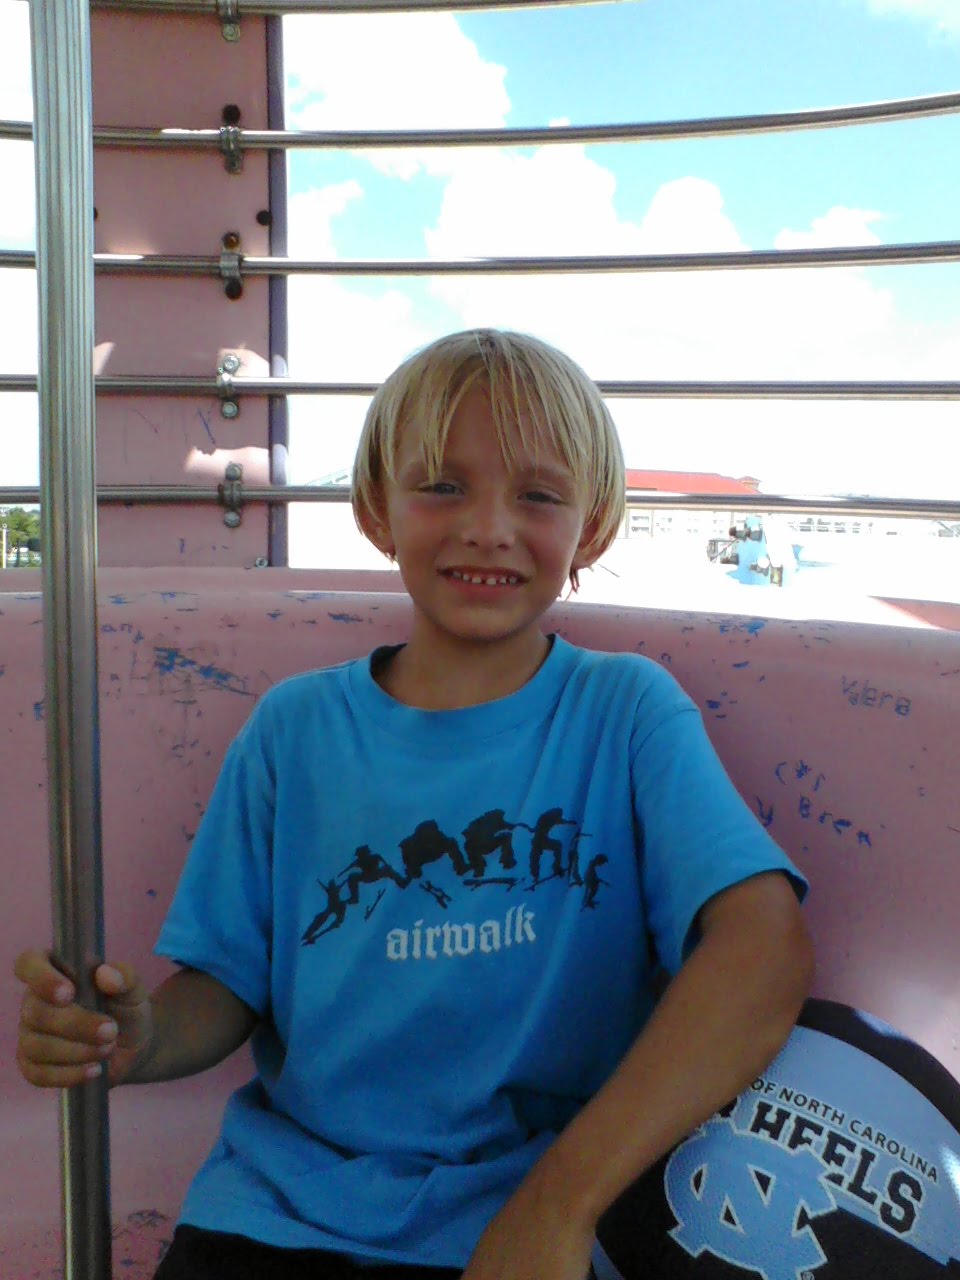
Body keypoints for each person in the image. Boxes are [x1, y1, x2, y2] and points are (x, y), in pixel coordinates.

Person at [14, 329, 814, 1280]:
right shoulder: (293, 730)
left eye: (538, 496)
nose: (488, 527)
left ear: (592, 527)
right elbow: (227, 985)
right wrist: (136, 1042)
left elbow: (763, 947)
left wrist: (562, 1204)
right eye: (441, 486)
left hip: (529, 1221)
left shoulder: (626, 713)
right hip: (272, 1215)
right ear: (375, 509)